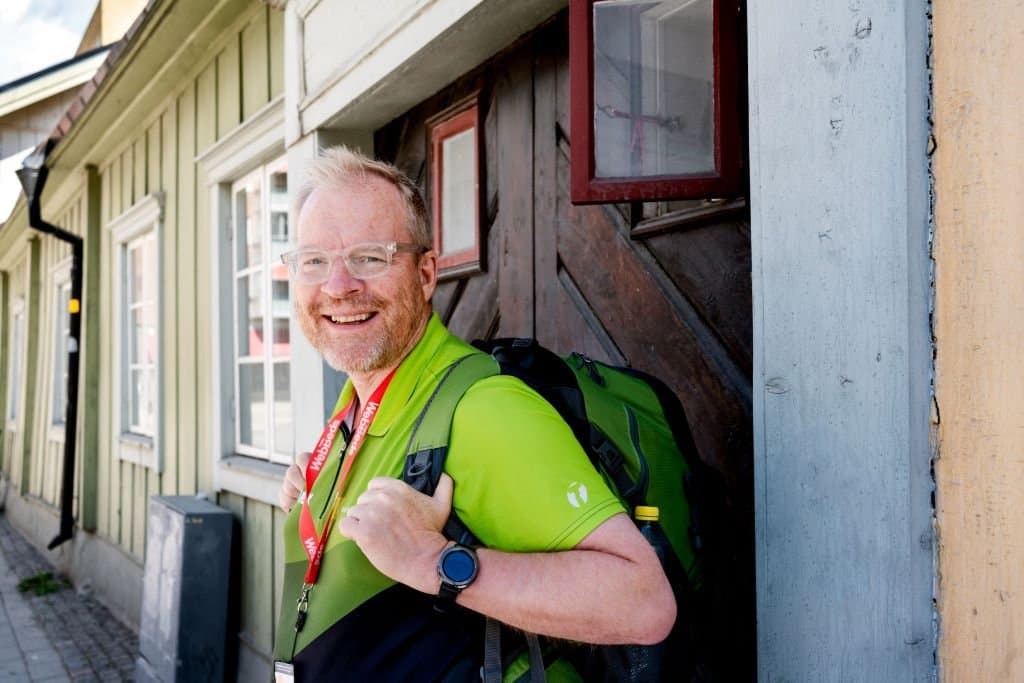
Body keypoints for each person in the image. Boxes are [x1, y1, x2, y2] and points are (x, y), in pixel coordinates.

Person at [273, 146, 675, 681]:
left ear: (424, 274)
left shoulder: (483, 408)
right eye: (314, 261)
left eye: (370, 257)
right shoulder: (357, 402)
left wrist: (432, 563)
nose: (339, 285)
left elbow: (643, 603)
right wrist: (318, 496)